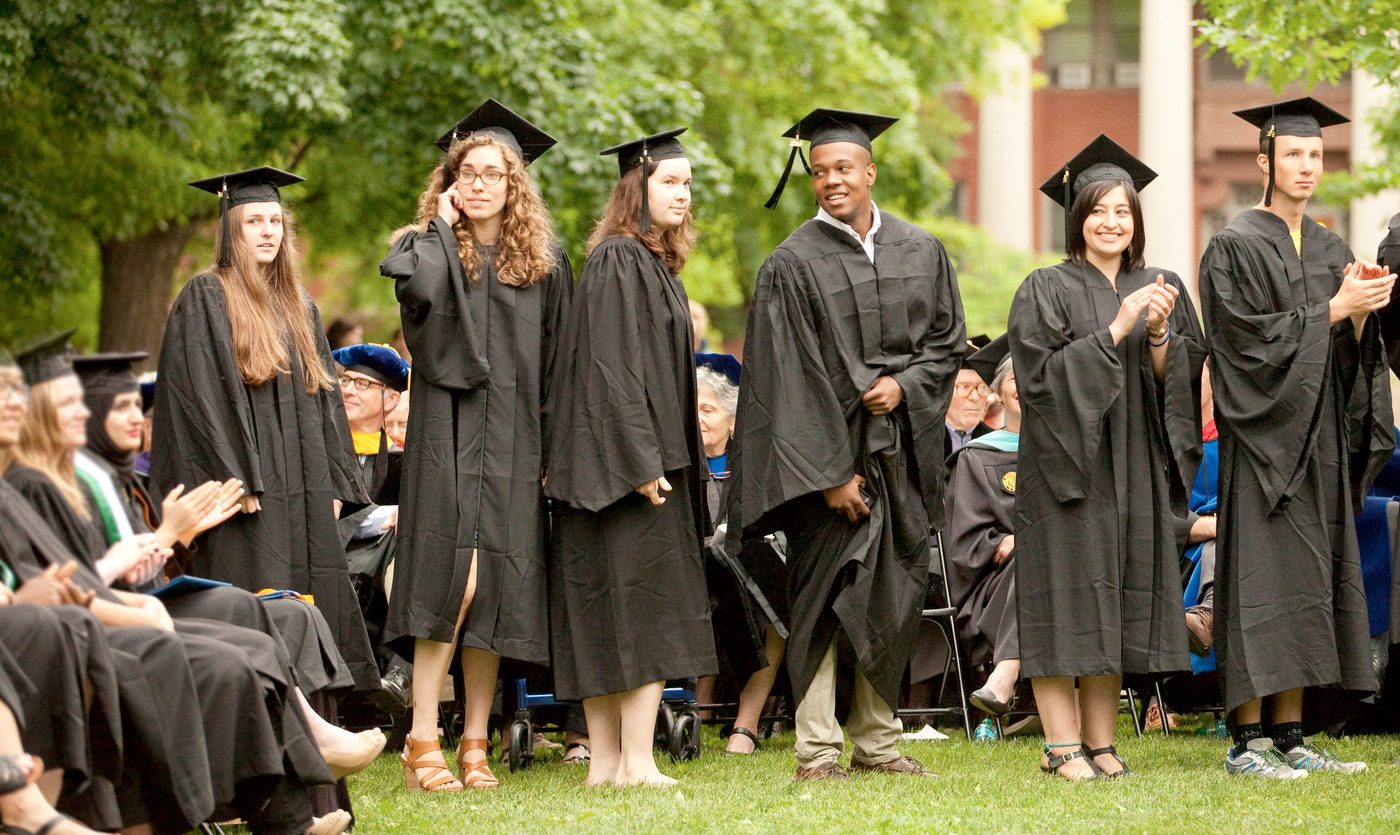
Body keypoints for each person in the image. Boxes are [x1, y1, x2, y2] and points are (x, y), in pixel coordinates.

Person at [0, 348, 352, 835]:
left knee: (254, 618)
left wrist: (163, 550)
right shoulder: (35, 485)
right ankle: (268, 812)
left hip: (91, 619)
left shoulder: (78, 480)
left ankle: (295, 796)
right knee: (225, 652)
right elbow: (76, 584)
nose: (125, 417)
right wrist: (165, 545)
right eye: (77, 404)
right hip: (73, 632)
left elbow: (91, 578)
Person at [731, 108, 965, 782]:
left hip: (900, 459)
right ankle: (816, 748)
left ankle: (878, 741)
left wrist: (904, 386)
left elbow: (947, 345)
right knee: (825, 600)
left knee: (890, 600)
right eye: (821, 170)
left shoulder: (921, 250)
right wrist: (830, 474)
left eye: (843, 168)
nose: (832, 180)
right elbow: (787, 380)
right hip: (826, 471)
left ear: (869, 171)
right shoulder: (791, 263)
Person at [381, 100, 573, 793]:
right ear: (453, 179)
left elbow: (559, 364)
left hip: (517, 446)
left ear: (515, 184)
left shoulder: (544, 265)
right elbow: (423, 320)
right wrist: (439, 225)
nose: (483, 183)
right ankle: (420, 737)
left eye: (496, 173)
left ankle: (473, 741)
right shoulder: (425, 247)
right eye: (470, 171)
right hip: (447, 443)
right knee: (449, 585)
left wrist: (553, 449)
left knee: (494, 590)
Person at [1199, 97, 1395, 778]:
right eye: (1294, 155)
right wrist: (1335, 309)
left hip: (1317, 446)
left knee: (1310, 584)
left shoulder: (1331, 246)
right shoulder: (1232, 245)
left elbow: (1348, 359)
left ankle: (1290, 732)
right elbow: (1243, 350)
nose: (1307, 167)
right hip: (1262, 447)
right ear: (1265, 161)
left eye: (1316, 155)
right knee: (1260, 589)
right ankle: (1245, 740)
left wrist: (1364, 314)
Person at [1009, 134, 1205, 780]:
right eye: (1098, 210)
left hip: (1135, 465)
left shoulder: (1163, 284)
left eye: (1122, 211)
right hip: (1069, 469)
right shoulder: (1044, 287)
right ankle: (1061, 744)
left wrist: (1156, 337)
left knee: (1115, 597)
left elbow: (1179, 383)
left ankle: (1101, 739)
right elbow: (1040, 383)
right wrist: (1117, 328)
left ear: (1136, 219)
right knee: (1066, 597)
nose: (1112, 221)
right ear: (1077, 219)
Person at [151, 167, 376, 691]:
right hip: (249, 495)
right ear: (232, 229)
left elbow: (325, 404)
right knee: (258, 602)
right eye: (255, 220)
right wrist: (235, 480)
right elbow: (197, 398)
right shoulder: (206, 297)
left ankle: (316, 733)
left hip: (303, 487)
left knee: (309, 599)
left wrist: (337, 487)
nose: (269, 231)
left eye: (276, 221)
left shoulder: (301, 307)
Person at [544, 127, 717, 788]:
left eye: (688, 185)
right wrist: (644, 460)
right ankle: (631, 760)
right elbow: (613, 371)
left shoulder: (648, 263)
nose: (684, 195)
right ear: (636, 187)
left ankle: (614, 762)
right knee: (635, 609)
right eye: (672, 182)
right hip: (628, 468)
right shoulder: (620, 259)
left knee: (610, 607)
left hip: (612, 467)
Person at [692, 354, 789, 755]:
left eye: (708, 409)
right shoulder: (678, 466)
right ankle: (695, 713)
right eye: (692, 409)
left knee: (778, 600)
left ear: (732, 421)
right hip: (689, 571)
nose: (699, 418)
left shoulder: (752, 466)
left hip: (743, 568)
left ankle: (745, 724)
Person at [943, 337, 1021, 718]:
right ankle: (1006, 675)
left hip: (1069, 579)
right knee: (1035, 557)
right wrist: (1006, 541)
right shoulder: (977, 456)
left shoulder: (1066, 453)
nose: (1024, 385)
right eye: (1013, 378)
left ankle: (1007, 678)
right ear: (1000, 393)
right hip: (990, 593)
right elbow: (965, 544)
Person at [945, 337, 994, 455]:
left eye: (982, 387)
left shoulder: (994, 443)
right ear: (944, 393)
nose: (975, 397)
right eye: (964, 387)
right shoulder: (921, 440)